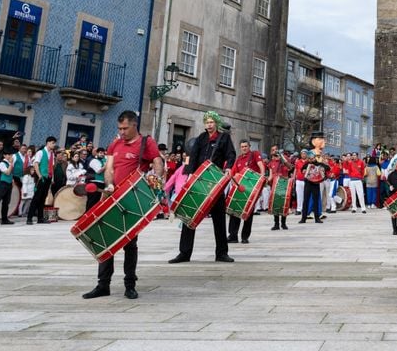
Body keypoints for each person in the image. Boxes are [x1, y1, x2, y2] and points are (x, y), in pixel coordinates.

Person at [83, 110, 162, 300]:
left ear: (135, 125)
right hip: (111, 197)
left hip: (132, 199)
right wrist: (109, 184)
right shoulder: (115, 144)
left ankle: (130, 285)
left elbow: (158, 162)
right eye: (119, 128)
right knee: (105, 239)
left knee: (130, 244)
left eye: (125, 128)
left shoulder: (146, 143)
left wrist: (156, 177)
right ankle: (103, 285)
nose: (122, 131)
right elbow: (109, 169)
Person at [169, 111, 236, 264]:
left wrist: (229, 168)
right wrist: (190, 174)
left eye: (212, 122)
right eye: (207, 122)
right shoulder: (201, 138)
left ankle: (221, 253)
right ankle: (184, 253)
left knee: (219, 218)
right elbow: (193, 157)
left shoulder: (223, 137)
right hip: (199, 182)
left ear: (216, 123)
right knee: (189, 216)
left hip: (214, 182)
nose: (209, 125)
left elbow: (231, 155)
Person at [227, 140, 266, 244]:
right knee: (234, 212)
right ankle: (233, 236)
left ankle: (245, 237)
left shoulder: (254, 154)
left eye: (245, 146)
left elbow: (261, 166)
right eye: (242, 146)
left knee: (248, 213)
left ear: (249, 146)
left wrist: (261, 178)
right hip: (240, 189)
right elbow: (233, 174)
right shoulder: (239, 159)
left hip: (251, 189)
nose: (244, 148)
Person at [26, 136, 57, 224]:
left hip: (48, 178)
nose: (54, 145)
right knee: (36, 198)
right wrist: (39, 175)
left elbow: (51, 167)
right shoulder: (40, 152)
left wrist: (52, 178)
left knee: (43, 198)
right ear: (48, 143)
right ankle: (29, 218)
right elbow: (36, 164)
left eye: (54, 143)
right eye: (52, 143)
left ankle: (40, 218)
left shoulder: (51, 154)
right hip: (42, 177)